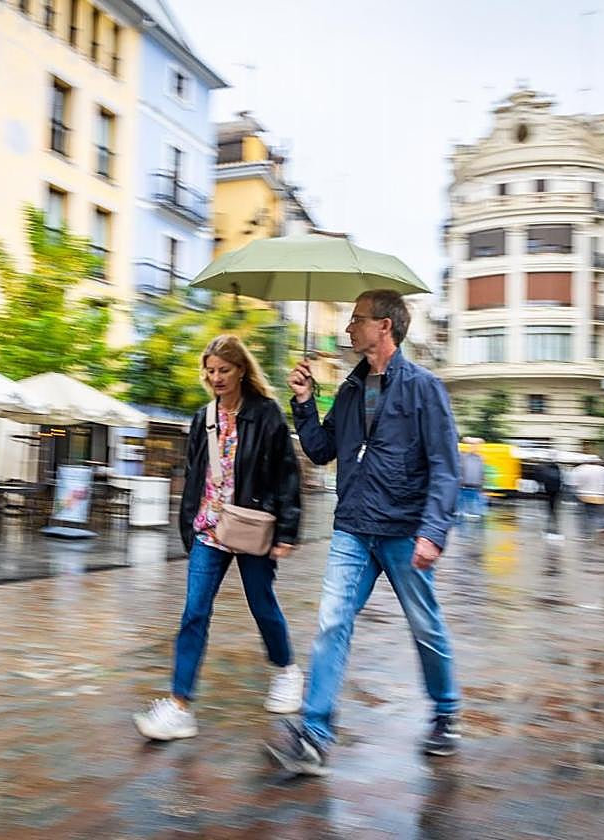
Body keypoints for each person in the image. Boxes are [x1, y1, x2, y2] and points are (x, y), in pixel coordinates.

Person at [267, 289, 462, 776]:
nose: (348, 327)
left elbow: (445, 466)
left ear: (384, 327)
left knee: (424, 625)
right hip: (354, 526)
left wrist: (433, 531)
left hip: (404, 529)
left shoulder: (423, 388)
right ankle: (314, 733)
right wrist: (304, 401)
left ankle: (445, 711)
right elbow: (320, 450)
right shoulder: (351, 389)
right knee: (332, 622)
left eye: (357, 319)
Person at [133, 335, 303, 741]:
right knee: (194, 612)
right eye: (210, 371)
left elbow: (286, 474)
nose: (216, 378)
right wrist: (188, 525)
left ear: (241, 370)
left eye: (224, 370)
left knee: (262, 604)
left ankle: (287, 670)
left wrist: (287, 530)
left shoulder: (266, 414)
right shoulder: (203, 417)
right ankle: (179, 706)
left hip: (250, 523)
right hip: (209, 528)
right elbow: (195, 474)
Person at [571, 459, 604, 539]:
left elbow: (574, 484)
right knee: (602, 514)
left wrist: (577, 493)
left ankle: (586, 535)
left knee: (586, 516)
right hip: (602, 496)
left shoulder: (580, 469)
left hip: (585, 496)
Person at [535, 454, 564, 540]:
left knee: (548, 509)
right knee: (553, 508)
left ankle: (548, 527)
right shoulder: (558, 469)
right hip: (556, 491)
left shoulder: (545, 469)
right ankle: (554, 523)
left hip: (548, 490)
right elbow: (561, 480)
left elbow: (541, 479)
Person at [458, 439, 485, 519]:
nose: (475, 447)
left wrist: (482, 485)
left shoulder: (480, 458)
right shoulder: (463, 456)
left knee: (474, 505)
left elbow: (482, 472)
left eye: (477, 446)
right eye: (473, 445)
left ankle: (473, 514)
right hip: (464, 485)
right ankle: (462, 515)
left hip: (476, 486)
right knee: (462, 506)